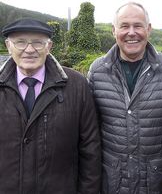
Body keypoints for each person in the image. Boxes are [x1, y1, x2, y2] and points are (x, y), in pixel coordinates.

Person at [88, 2, 162, 194]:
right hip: (111, 181)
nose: (131, 32)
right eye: (124, 26)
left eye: (138, 25)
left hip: (156, 181)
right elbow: (89, 131)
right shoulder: (97, 71)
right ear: (114, 31)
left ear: (148, 29)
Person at [0, 18, 101, 194]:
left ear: (49, 46)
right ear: (8, 46)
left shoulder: (77, 85)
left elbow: (90, 149)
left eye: (38, 43)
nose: (29, 50)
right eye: (20, 42)